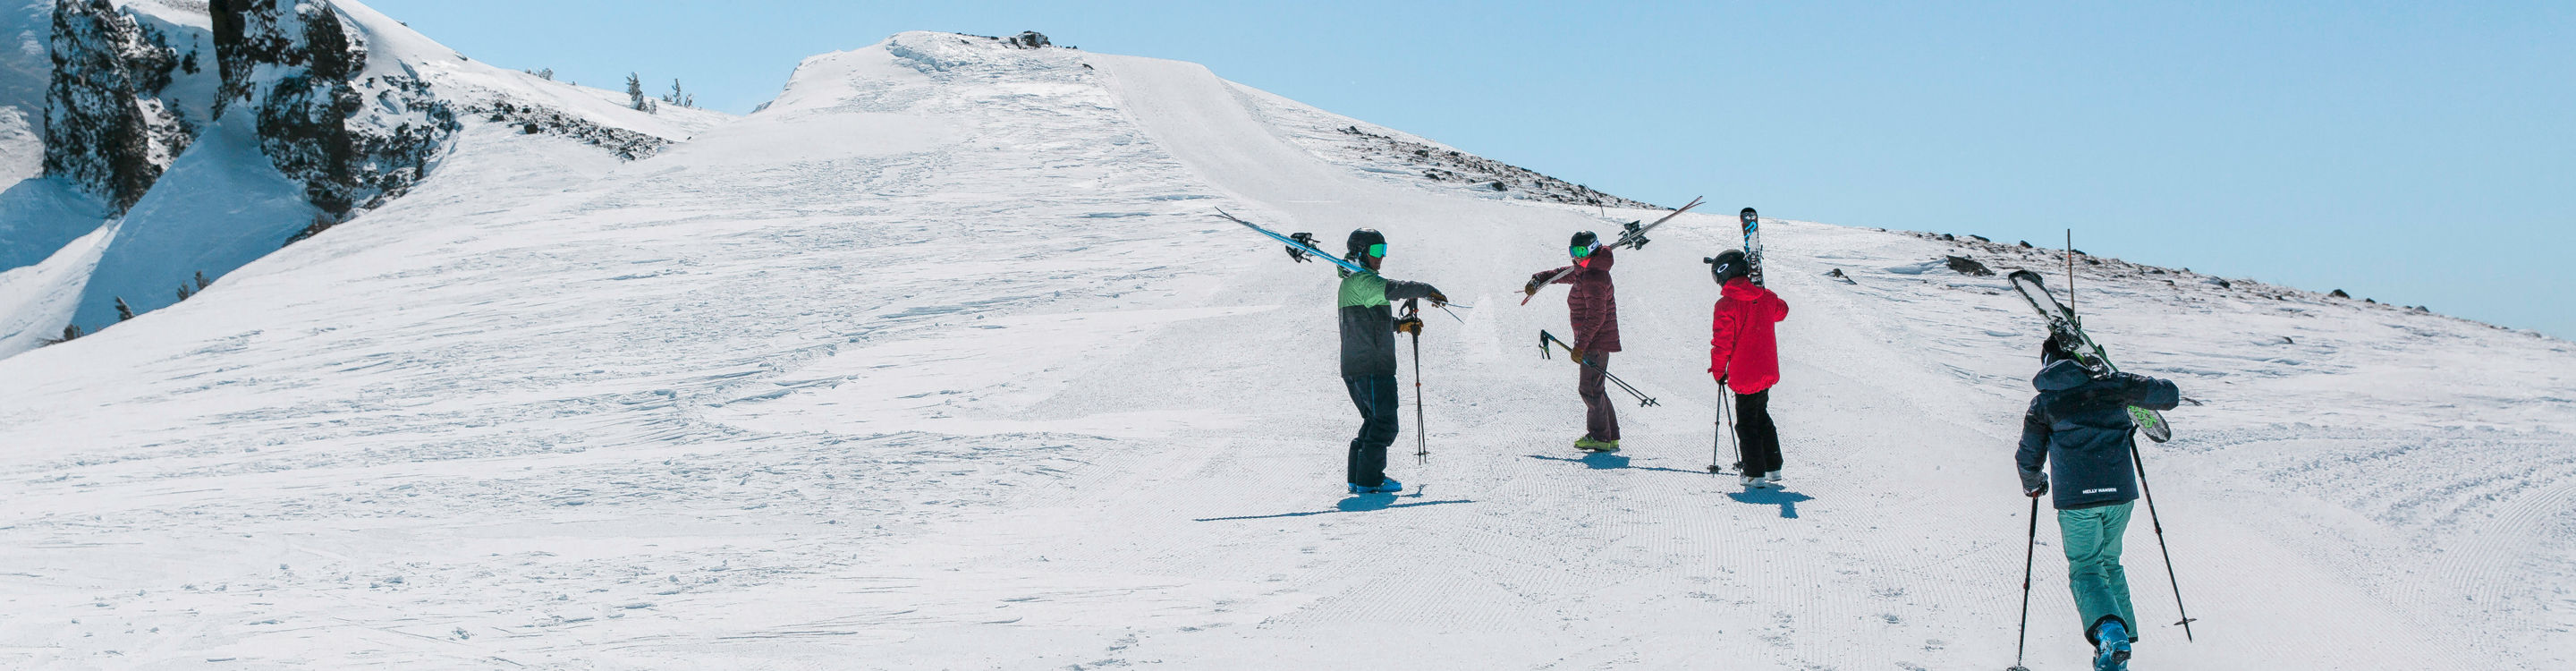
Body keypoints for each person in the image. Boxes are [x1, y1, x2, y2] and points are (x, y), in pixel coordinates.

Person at [2014, 336, 2182, 671]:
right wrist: (2126, 383)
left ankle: (2111, 638)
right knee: (2109, 562)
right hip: (2120, 496)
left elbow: (2029, 456)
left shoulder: (2045, 402)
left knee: (2086, 568)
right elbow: (2170, 395)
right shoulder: (2114, 386)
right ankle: (2119, 650)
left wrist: (2034, 483)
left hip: (2077, 501)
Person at [1337, 229, 1447, 494]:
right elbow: (1395, 289)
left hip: (1358, 365)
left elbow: (1369, 323)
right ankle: (1370, 480)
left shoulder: (1354, 283)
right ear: (1361, 252)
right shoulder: (1363, 282)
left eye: (1383, 250)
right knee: (1385, 423)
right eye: (1376, 251)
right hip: (1372, 367)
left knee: (1373, 421)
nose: (1381, 257)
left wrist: (1401, 325)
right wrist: (1426, 290)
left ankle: (1358, 478)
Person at [1524, 232, 1623, 452]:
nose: (1576, 257)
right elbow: (1563, 273)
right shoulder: (1587, 271)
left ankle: (1599, 437)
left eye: (1580, 252)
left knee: (1589, 389)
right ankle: (1610, 436)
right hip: (1595, 341)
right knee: (1597, 388)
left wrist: (1581, 345)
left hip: (1594, 341)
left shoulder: (1594, 277)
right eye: (1573, 251)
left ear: (1592, 249)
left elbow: (1596, 316)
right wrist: (1539, 279)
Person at [1705, 250, 1789, 487]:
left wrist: (1719, 371)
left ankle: (1754, 472)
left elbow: (1722, 342)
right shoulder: (1766, 296)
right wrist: (1762, 291)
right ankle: (1773, 467)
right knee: (1761, 416)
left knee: (1747, 423)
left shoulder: (1726, 305)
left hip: (1745, 374)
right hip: (1766, 370)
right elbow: (1782, 311)